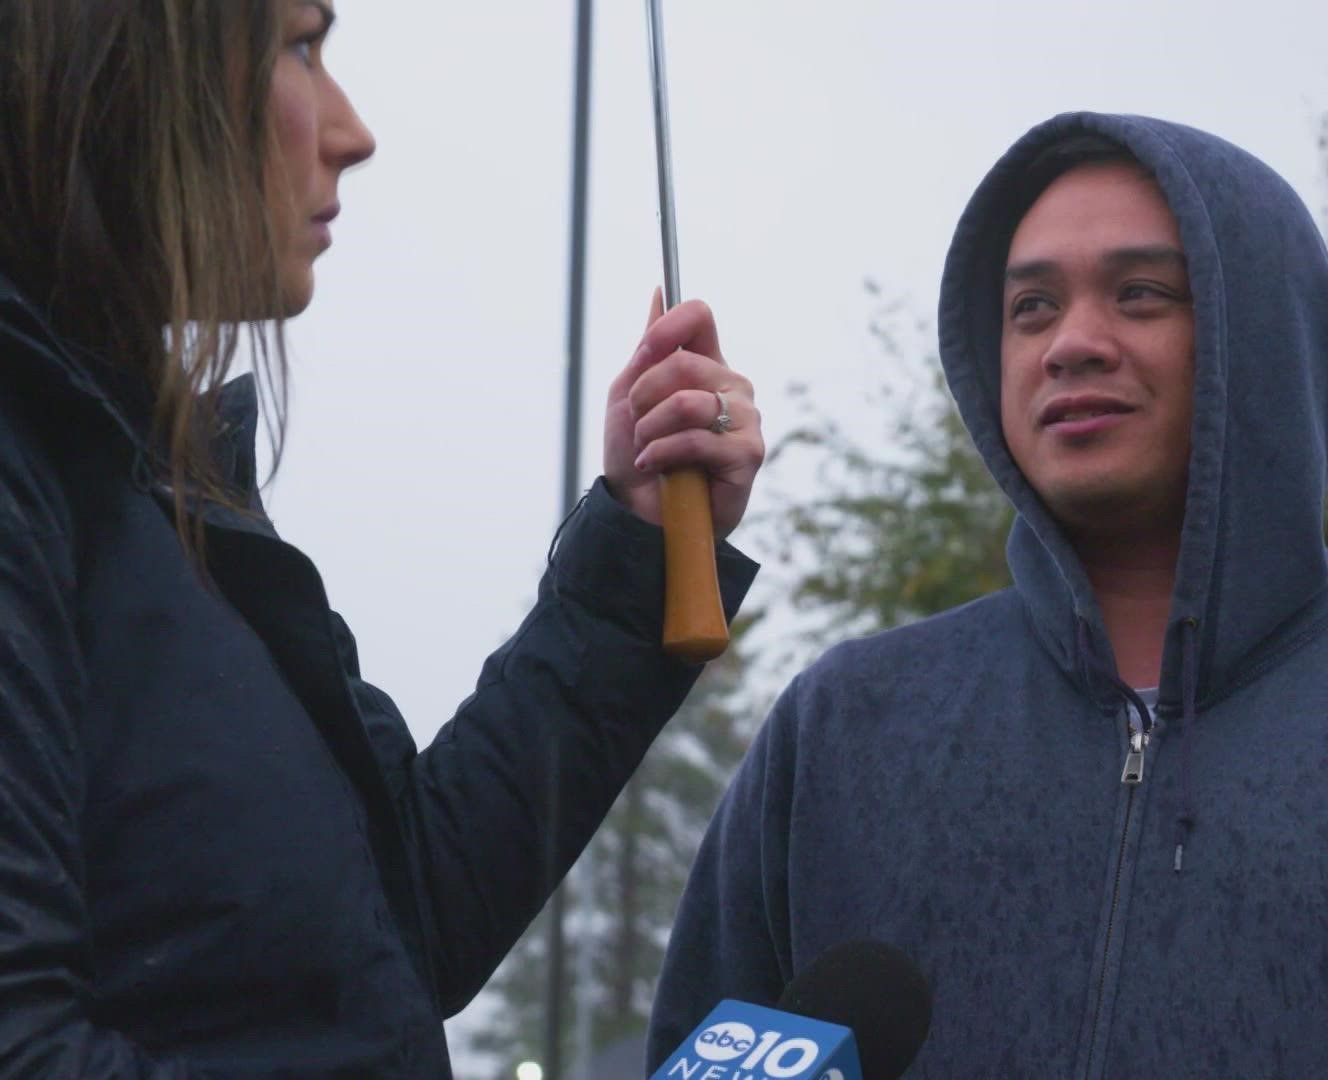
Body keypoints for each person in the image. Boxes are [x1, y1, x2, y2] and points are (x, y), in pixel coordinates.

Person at [647, 112, 1328, 1076]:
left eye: (1140, 294)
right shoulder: (846, 730)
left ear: (1259, 340)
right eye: (1030, 307)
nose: (1072, 342)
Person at [0, 2, 763, 1075]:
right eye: (299, 48)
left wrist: (637, 544)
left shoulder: (151, 479)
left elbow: (405, 919)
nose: (353, 131)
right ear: (122, 64)